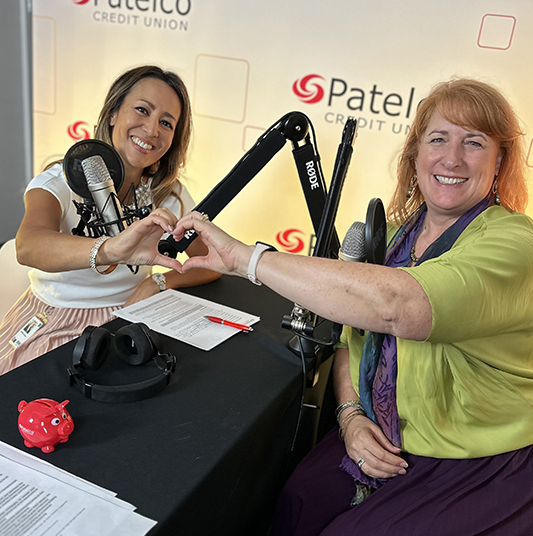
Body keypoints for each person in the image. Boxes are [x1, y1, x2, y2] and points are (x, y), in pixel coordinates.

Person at [168, 79, 533, 534]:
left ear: (500, 160)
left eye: (474, 143)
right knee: (295, 502)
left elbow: (397, 306)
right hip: (377, 431)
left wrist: (247, 259)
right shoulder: (397, 233)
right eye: (438, 138)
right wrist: (350, 416)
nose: (452, 158)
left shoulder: (516, 242)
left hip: (474, 459)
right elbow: (348, 336)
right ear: (416, 153)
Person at [0, 65, 219, 375]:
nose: (152, 130)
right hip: (56, 319)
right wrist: (112, 249)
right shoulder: (59, 181)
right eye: (142, 110)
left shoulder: (170, 195)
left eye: (166, 123)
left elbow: (211, 261)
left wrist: (158, 281)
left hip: (131, 316)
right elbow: (28, 246)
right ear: (113, 113)